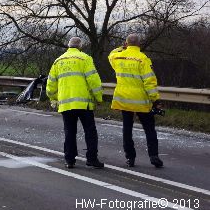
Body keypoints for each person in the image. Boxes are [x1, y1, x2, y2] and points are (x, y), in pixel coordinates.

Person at [46, 37, 104, 169]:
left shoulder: (58, 61)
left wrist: (54, 98)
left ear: (68, 46)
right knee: (90, 131)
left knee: (70, 132)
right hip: (84, 104)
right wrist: (98, 97)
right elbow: (94, 80)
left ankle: (69, 160)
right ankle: (92, 159)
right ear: (80, 46)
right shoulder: (85, 58)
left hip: (66, 104)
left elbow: (50, 85)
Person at [108, 34, 163, 168]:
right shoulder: (143, 59)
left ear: (126, 44)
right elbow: (149, 82)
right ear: (139, 44)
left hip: (124, 100)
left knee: (127, 129)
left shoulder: (118, 57)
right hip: (141, 101)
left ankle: (130, 158)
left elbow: (111, 54)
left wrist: (122, 47)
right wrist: (155, 100)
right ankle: (153, 156)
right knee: (149, 129)